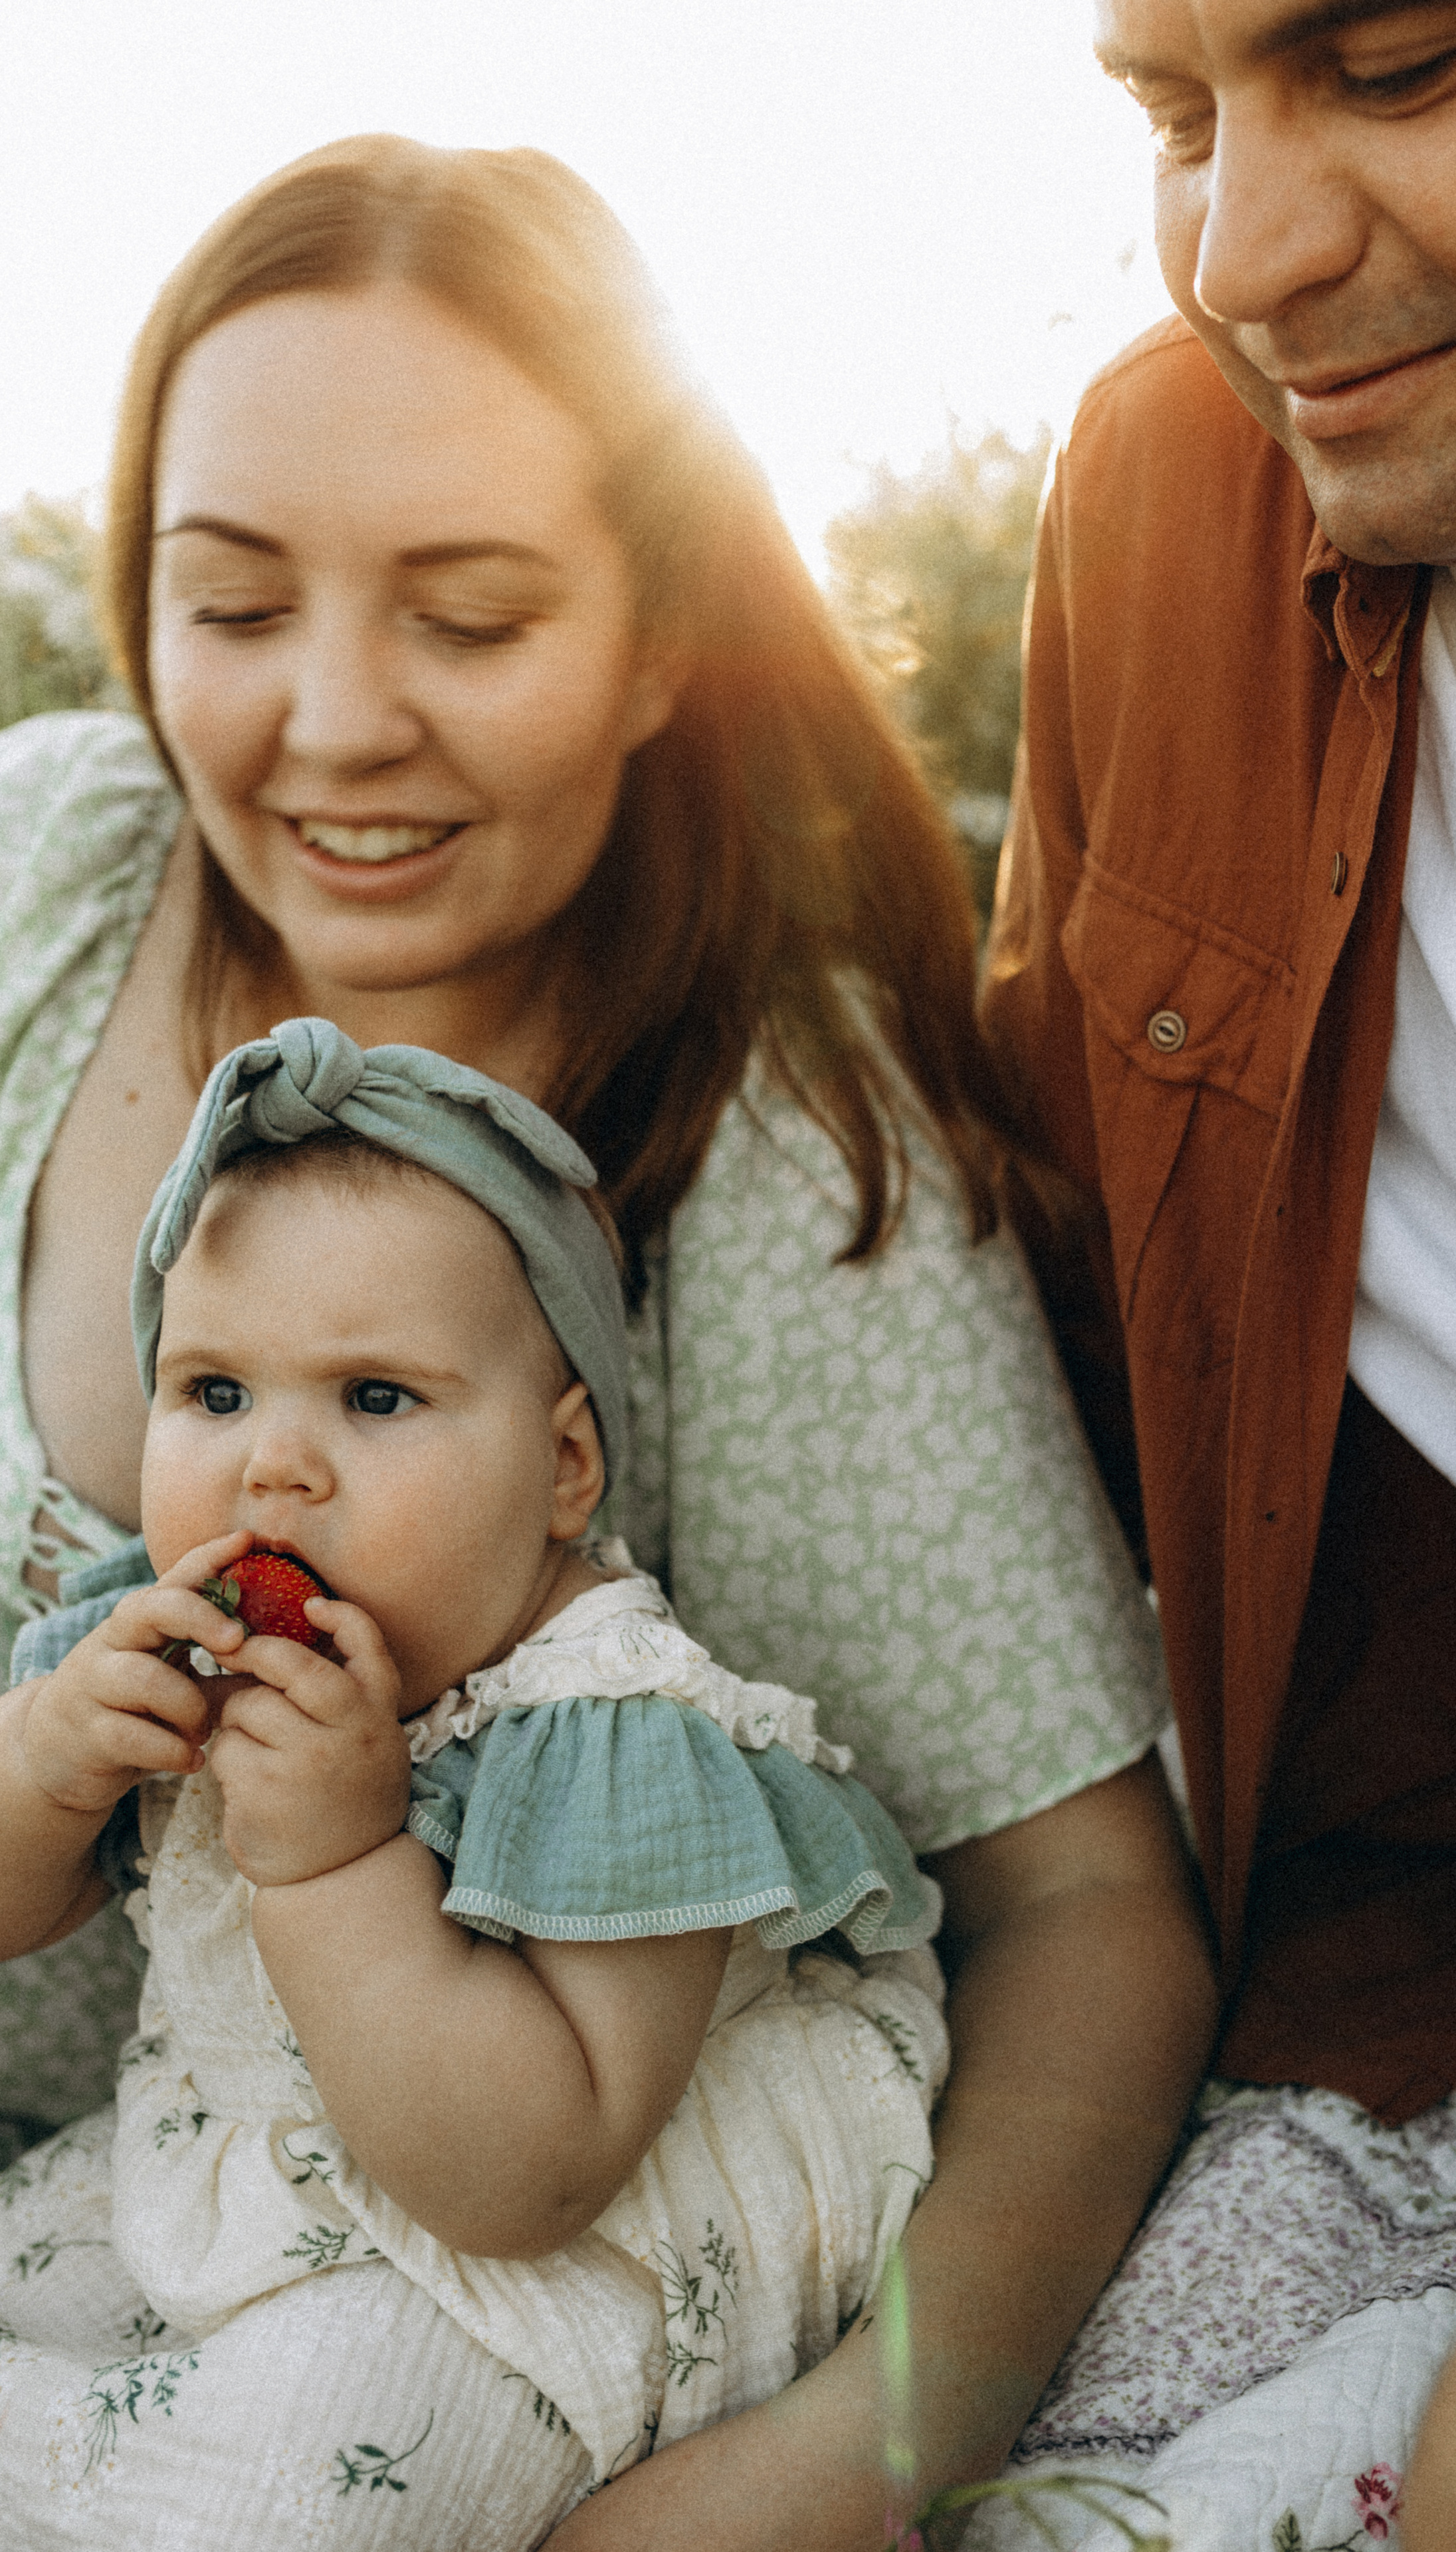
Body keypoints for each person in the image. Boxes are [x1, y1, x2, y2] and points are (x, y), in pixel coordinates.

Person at [0, 134, 1216, 2547]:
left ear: (661, 629)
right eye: (233, 603)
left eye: (469, 618)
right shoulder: (53, 858)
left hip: (440, 2285)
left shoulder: (776, 1136)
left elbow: (1092, 1927)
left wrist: (835, 2469)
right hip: (102, 2216)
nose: (336, 724)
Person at [982, 1, 1456, 2545]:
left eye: (1393, 65)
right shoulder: (1173, 510)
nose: (1237, 259)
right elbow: (1044, 1306)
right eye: (1171, 117)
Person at [0, 1018, 950, 2546]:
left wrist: (333, 1864)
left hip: (528, 2258)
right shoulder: (159, 1631)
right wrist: (46, 1765)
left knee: (282, 2499)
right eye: (214, 1391)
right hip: (243, 2168)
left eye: (373, 1398)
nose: (273, 1469)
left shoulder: (606, 1726)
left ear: (564, 1468)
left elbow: (529, 2175)